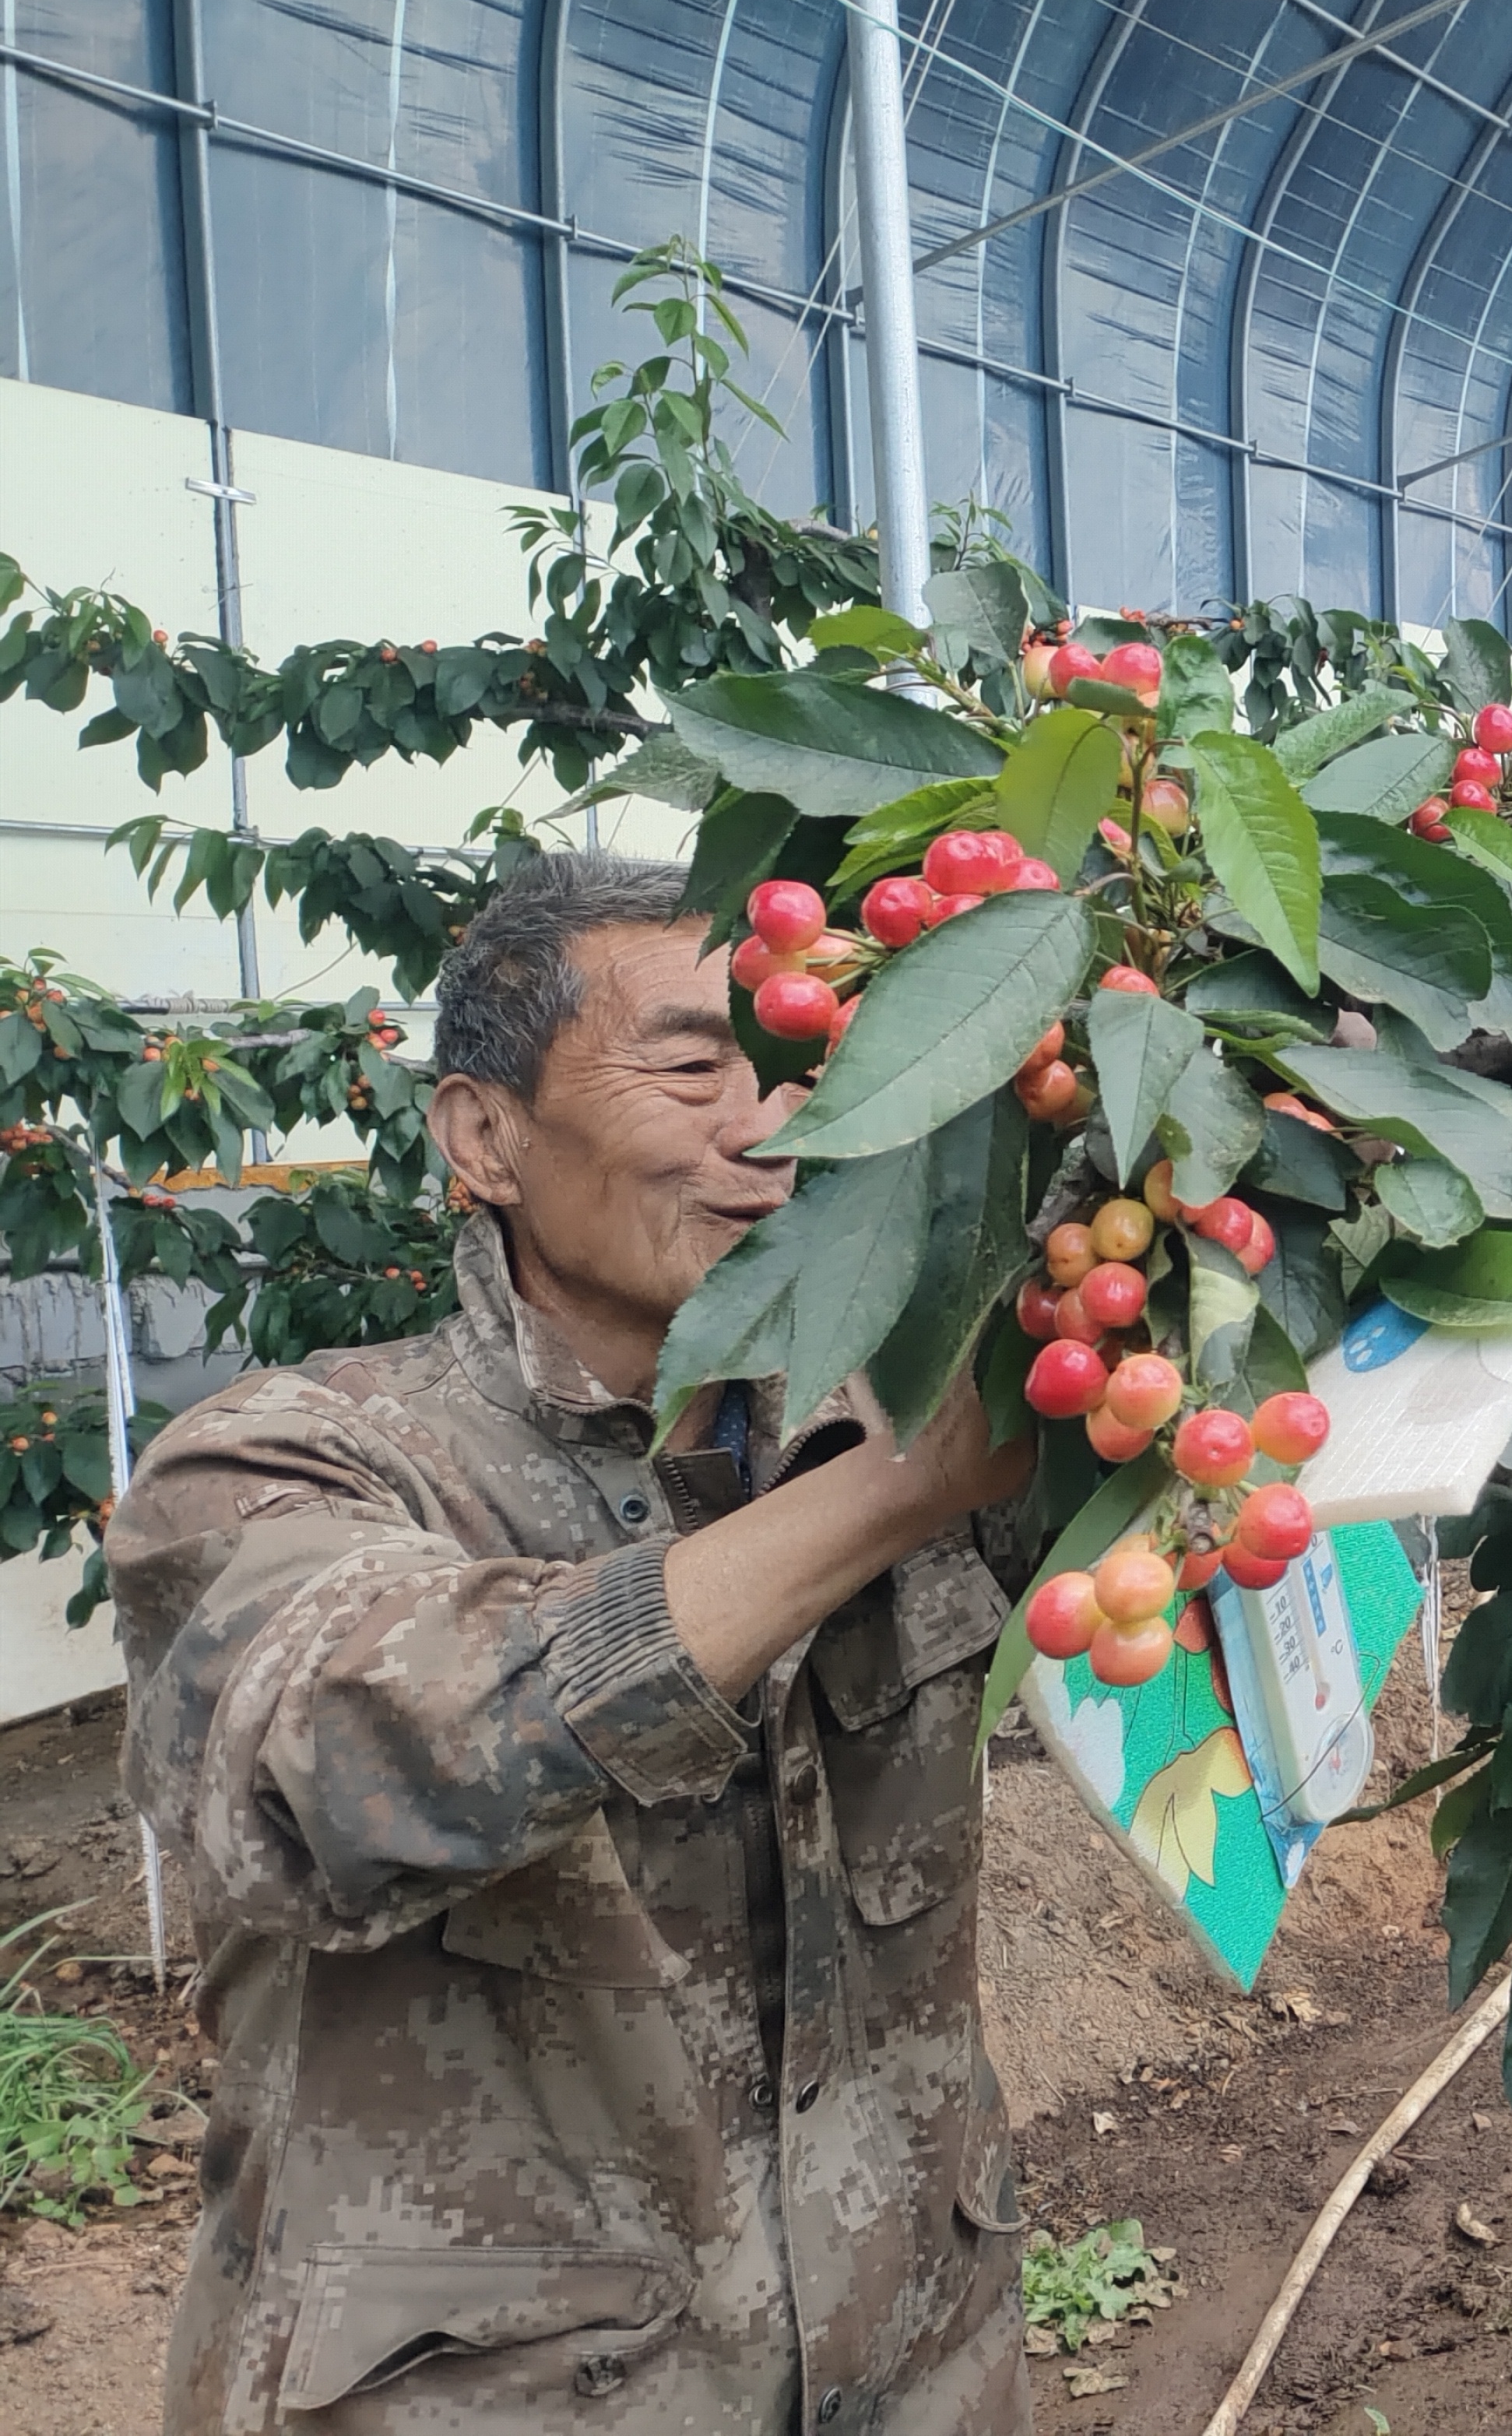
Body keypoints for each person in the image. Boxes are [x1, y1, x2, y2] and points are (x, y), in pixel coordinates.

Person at [110, 852, 1038, 2433]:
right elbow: (351, 1770)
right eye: (693, 1069)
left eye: (811, 1069)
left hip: (917, 2364)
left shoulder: (898, 1407)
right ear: (485, 1137)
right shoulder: (288, 1462)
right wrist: (901, 1488)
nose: (774, 1125)